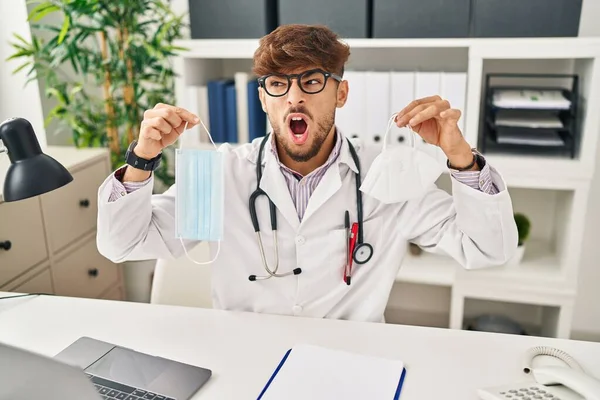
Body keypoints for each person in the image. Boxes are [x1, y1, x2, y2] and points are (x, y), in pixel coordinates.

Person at [96, 24, 517, 323]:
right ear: (263, 98)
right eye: (278, 84)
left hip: (352, 361)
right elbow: (123, 244)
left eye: (312, 81)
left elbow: (488, 249)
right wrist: (142, 159)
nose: (294, 98)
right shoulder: (222, 172)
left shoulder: (388, 176)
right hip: (248, 356)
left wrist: (461, 158)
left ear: (342, 92)